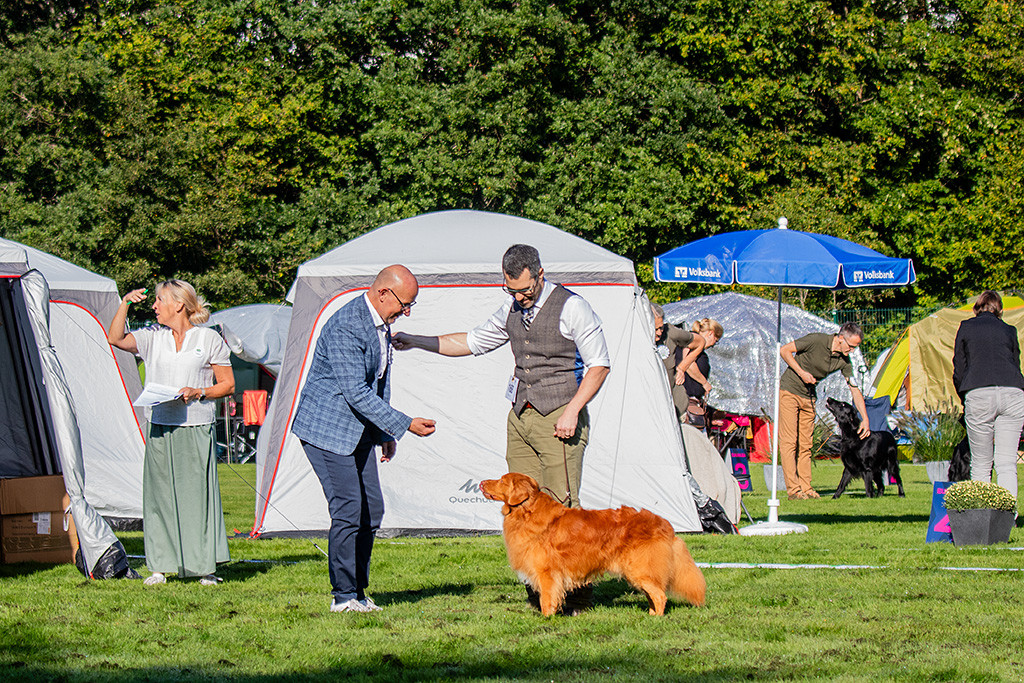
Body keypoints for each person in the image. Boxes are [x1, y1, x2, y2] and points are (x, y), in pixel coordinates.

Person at [393, 244, 610, 613]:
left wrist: (574, 409)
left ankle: (578, 595)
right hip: (521, 416)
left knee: (563, 510)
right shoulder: (511, 307)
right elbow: (472, 341)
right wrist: (417, 342)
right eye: (511, 290)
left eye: (525, 290)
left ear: (540, 275)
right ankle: (539, 588)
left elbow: (599, 364)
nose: (520, 297)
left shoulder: (573, 306)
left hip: (560, 415)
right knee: (520, 506)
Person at [291, 265, 436, 614]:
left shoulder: (380, 325)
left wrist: (383, 433)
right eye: (404, 304)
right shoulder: (347, 326)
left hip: (357, 432)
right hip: (326, 431)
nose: (406, 311)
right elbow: (355, 391)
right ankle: (342, 596)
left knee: (372, 510)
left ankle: (358, 592)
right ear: (383, 292)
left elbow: (378, 384)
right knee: (348, 510)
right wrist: (404, 424)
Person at [107, 279, 234, 586]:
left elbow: (227, 385)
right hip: (160, 425)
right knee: (159, 497)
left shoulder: (209, 338)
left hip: (196, 425)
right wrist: (125, 302)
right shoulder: (154, 338)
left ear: (178, 304)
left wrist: (199, 392)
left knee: (197, 498)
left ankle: (205, 568)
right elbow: (115, 338)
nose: (154, 306)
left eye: (159, 300)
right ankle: (159, 568)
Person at [778, 322, 869, 499]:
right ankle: (794, 490)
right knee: (790, 442)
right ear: (841, 338)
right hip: (789, 390)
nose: (852, 351)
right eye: (851, 346)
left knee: (806, 444)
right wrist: (801, 372)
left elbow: (854, 389)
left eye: (856, 348)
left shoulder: (844, 361)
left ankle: (806, 488)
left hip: (810, 396)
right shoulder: (816, 340)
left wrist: (865, 418)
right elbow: (784, 351)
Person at [952, 290, 1024, 500]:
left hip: (979, 391)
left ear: (977, 307)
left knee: (981, 462)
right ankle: (1008, 518)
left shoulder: (966, 327)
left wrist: (964, 396)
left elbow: (959, 368)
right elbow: (1016, 364)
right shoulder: (1009, 330)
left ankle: (981, 519)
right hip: (1013, 392)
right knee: (1006, 463)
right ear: (1000, 310)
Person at [651, 304, 706, 425]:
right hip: (650, 408)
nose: (659, 332)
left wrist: (682, 367)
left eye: (660, 328)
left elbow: (700, 342)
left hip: (676, 410)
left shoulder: (670, 332)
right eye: (655, 329)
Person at [681, 318, 724, 430]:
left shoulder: (691, 340)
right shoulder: (695, 340)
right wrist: (704, 383)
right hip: (686, 402)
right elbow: (688, 364)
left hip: (689, 402)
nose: (713, 345)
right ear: (711, 333)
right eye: (716, 340)